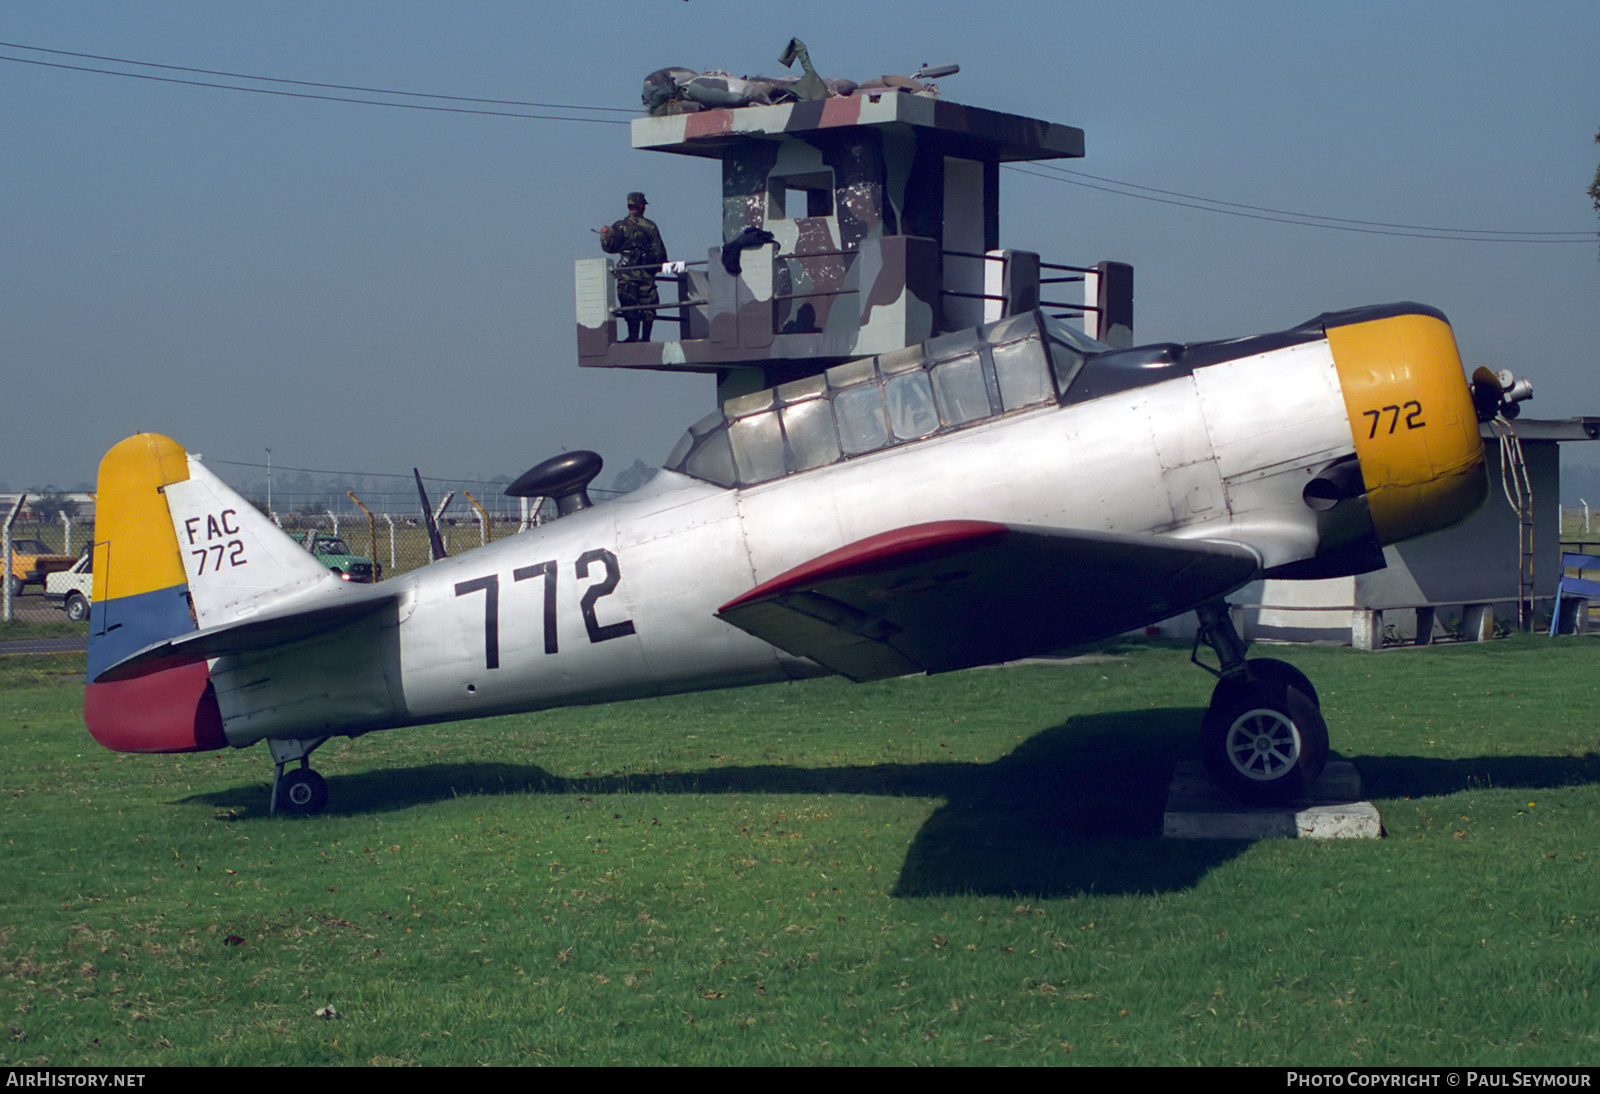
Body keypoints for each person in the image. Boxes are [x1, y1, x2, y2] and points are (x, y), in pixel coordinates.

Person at [599, 192, 667, 342]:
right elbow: (659, 252)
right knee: (648, 303)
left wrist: (604, 234)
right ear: (642, 206)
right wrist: (656, 268)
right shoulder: (650, 226)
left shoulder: (619, 226)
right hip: (646, 271)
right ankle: (646, 338)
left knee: (629, 302)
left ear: (629, 206)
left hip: (626, 271)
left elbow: (609, 247)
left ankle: (632, 336)